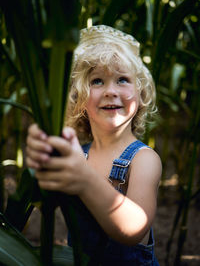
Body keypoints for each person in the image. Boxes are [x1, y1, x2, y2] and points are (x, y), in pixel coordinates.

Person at [26, 25, 162, 265]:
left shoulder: (143, 159)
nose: (110, 91)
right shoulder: (81, 154)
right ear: (79, 99)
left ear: (140, 94)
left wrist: (83, 176)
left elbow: (134, 228)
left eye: (122, 79)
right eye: (97, 81)